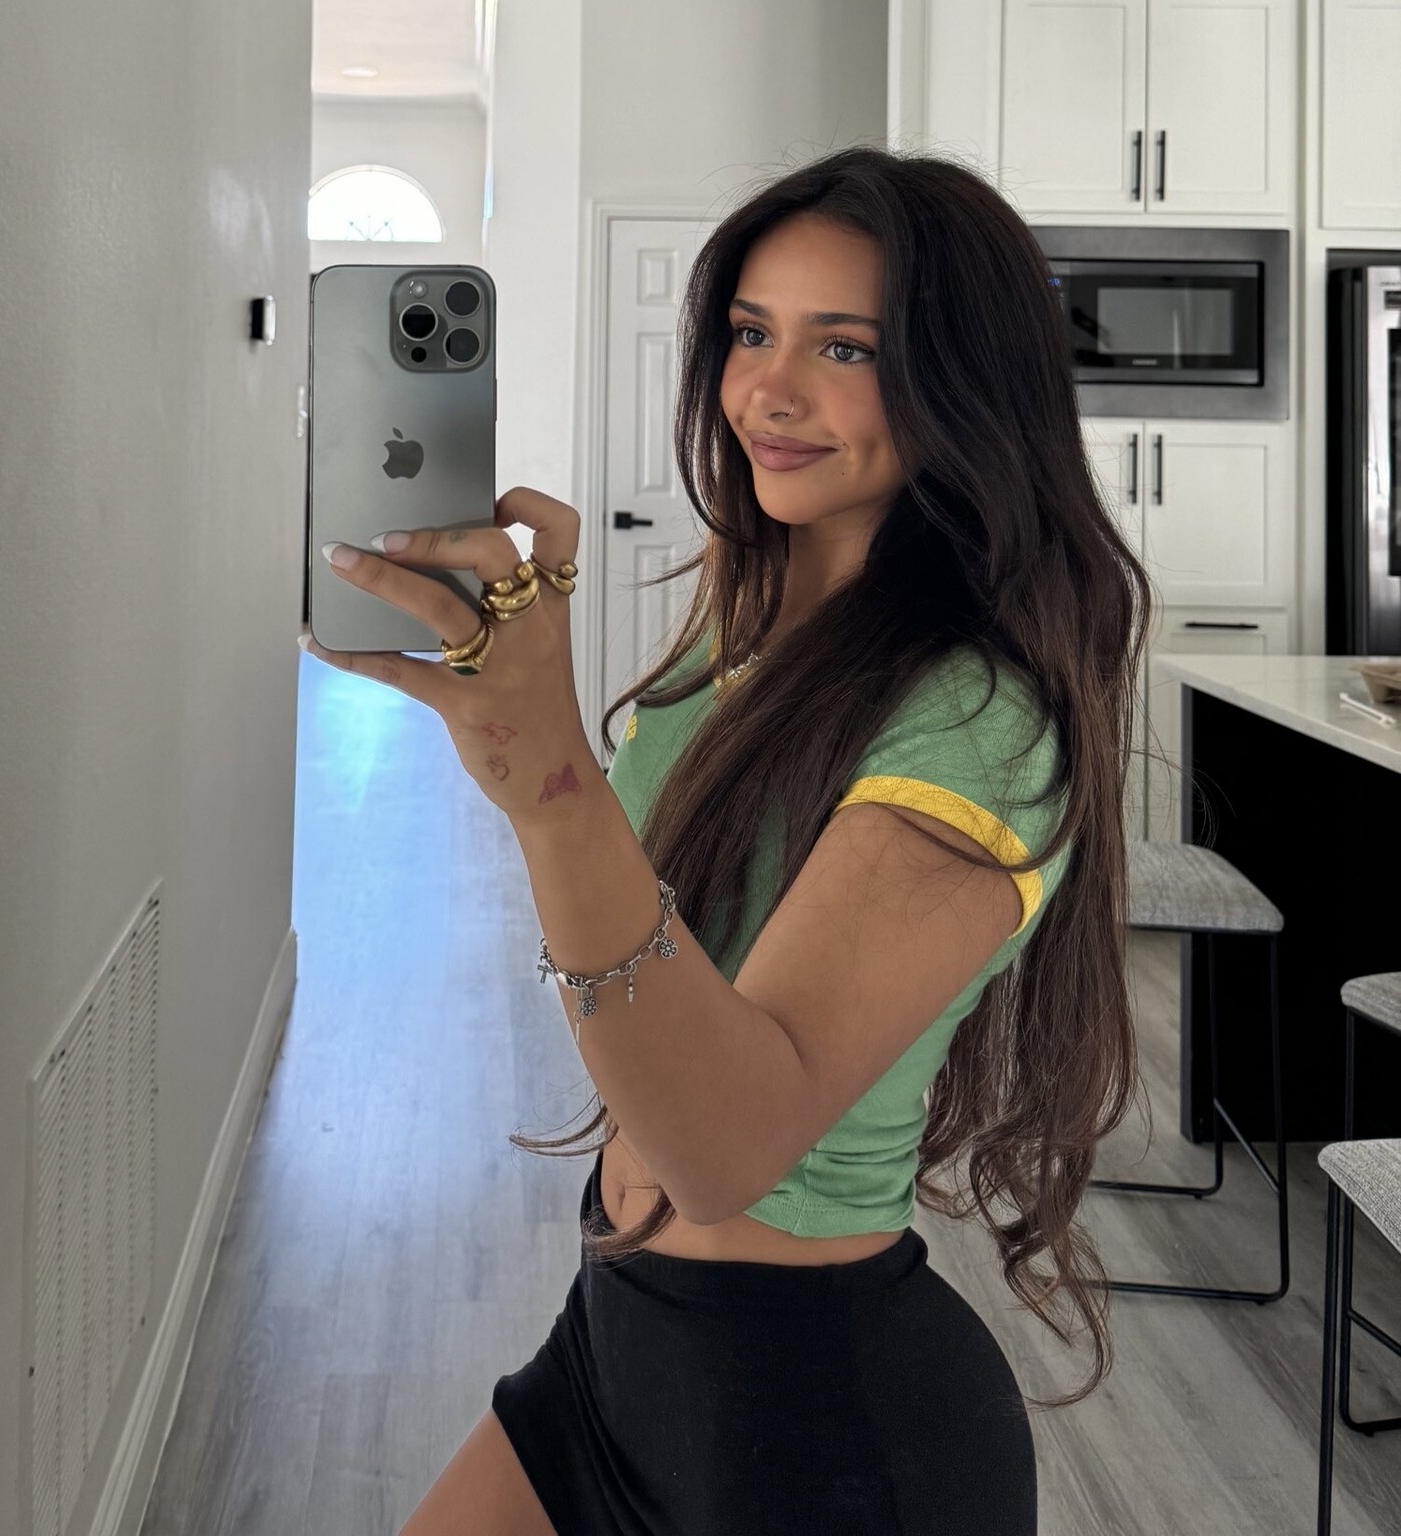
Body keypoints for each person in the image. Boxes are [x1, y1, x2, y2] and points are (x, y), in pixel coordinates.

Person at [404, 145, 1156, 1534]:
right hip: (615, 1341)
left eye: (845, 348)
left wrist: (555, 785)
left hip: (815, 1431)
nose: (771, 389)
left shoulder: (977, 721)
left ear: (962, 383)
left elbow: (726, 1148)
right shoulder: (752, 634)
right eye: (752, 333)